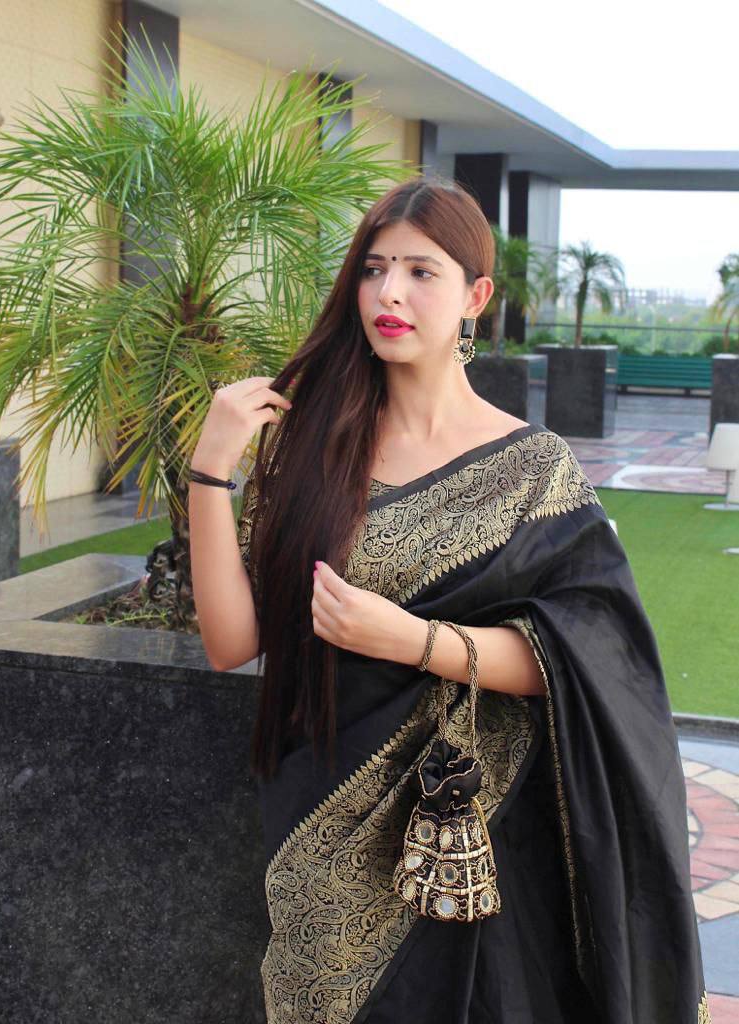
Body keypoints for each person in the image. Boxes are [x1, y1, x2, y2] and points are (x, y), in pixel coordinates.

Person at [188, 177, 711, 1024]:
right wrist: (211, 470)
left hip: (484, 817)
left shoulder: (533, 469)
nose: (387, 293)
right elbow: (230, 642)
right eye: (372, 269)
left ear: (475, 297)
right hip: (321, 803)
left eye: (420, 272)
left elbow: (591, 655)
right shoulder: (309, 451)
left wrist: (411, 640)